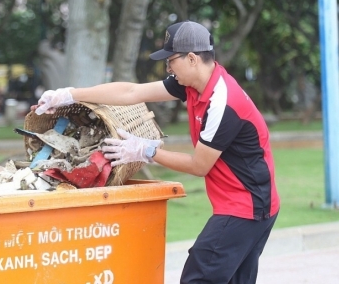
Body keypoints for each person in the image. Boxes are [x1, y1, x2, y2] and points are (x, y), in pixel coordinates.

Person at [31, 20, 280, 283]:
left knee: (199, 276)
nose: (168, 67)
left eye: (171, 60)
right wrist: (70, 94)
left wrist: (146, 151)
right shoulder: (194, 84)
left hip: (246, 207)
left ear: (193, 59)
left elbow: (199, 166)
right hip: (253, 205)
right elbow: (132, 92)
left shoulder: (223, 103)